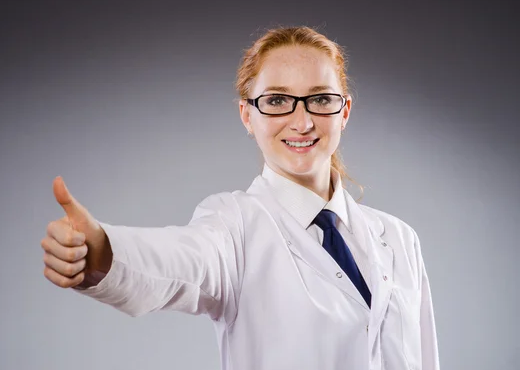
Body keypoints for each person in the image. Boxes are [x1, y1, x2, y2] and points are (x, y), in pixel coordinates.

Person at [40, 25, 440, 370]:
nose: (301, 122)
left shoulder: (399, 239)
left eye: (320, 99)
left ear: (344, 110)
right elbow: (181, 262)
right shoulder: (234, 225)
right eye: (277, 101)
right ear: (248, 116)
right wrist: (103, 252)